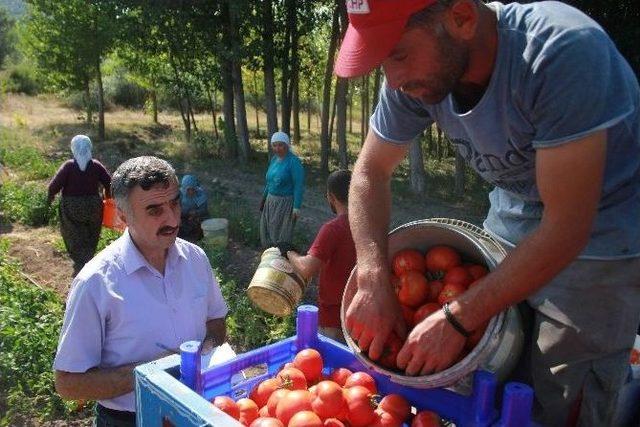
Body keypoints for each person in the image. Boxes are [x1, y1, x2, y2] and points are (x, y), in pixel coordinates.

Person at [334, 0, 640, 426]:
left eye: (399, 55)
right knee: (490, 378)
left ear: (461, 17)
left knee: (561, 399)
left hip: (603, 243)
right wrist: (372, 275)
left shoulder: (561, 53)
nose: (394, 79)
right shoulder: (417, 76)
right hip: (512, 221)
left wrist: (457, 318)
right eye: (384, 62)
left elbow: (568, 228)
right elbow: (370, 172)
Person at [53, 156, 228, 426]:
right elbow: (68, 383)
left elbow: (216, 320)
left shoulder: (195, 259)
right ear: (123, 217)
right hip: (129, 418)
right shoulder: (96, 282)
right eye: (154, 210)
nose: (172, 218)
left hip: (196, 407)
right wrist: (156, 375)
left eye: (174, 203)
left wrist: (208, 350)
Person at [284, 170, 356, 343]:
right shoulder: (369, 226)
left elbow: (307, 268)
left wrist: (289, 253)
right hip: (362, 314)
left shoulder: (333, 229)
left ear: (331, 196)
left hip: (334, 319)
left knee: (335, 367)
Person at [47, 135, 112, 275]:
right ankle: (89, 258)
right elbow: (109, 183)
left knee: (73, 232)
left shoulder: (69, 166)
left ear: (73, 148)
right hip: (94, 205)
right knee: (92, 232)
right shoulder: (96, 165)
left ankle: (80, 261)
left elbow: (54, 186)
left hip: (72, 206)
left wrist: (50, 198)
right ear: (90, 148)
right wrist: (109, 198)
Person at [260, 131, 305, 248]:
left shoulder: (293, 162)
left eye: (280, 145)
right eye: (274, 145)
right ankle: (270, 256)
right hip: (271, 202)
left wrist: (296, 207)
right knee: (268, 231)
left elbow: (298, 185)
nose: (277, 148)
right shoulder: (274, 160)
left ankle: (282, 258)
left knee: (282, 234)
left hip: (285, 203)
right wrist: (263, 199)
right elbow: (269, 182)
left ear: (286, 145)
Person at [178, 174, 209, 242]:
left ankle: (198, 238)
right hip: (182, 216)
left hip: (195, 217)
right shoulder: (179, 194)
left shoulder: (200, 195)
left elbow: (204, 210)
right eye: (188, 189)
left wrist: (196, 213)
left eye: (193, 189)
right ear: (184, 188)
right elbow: (174, 208)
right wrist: (178, 217)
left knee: (201, 224)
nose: (191, 192)